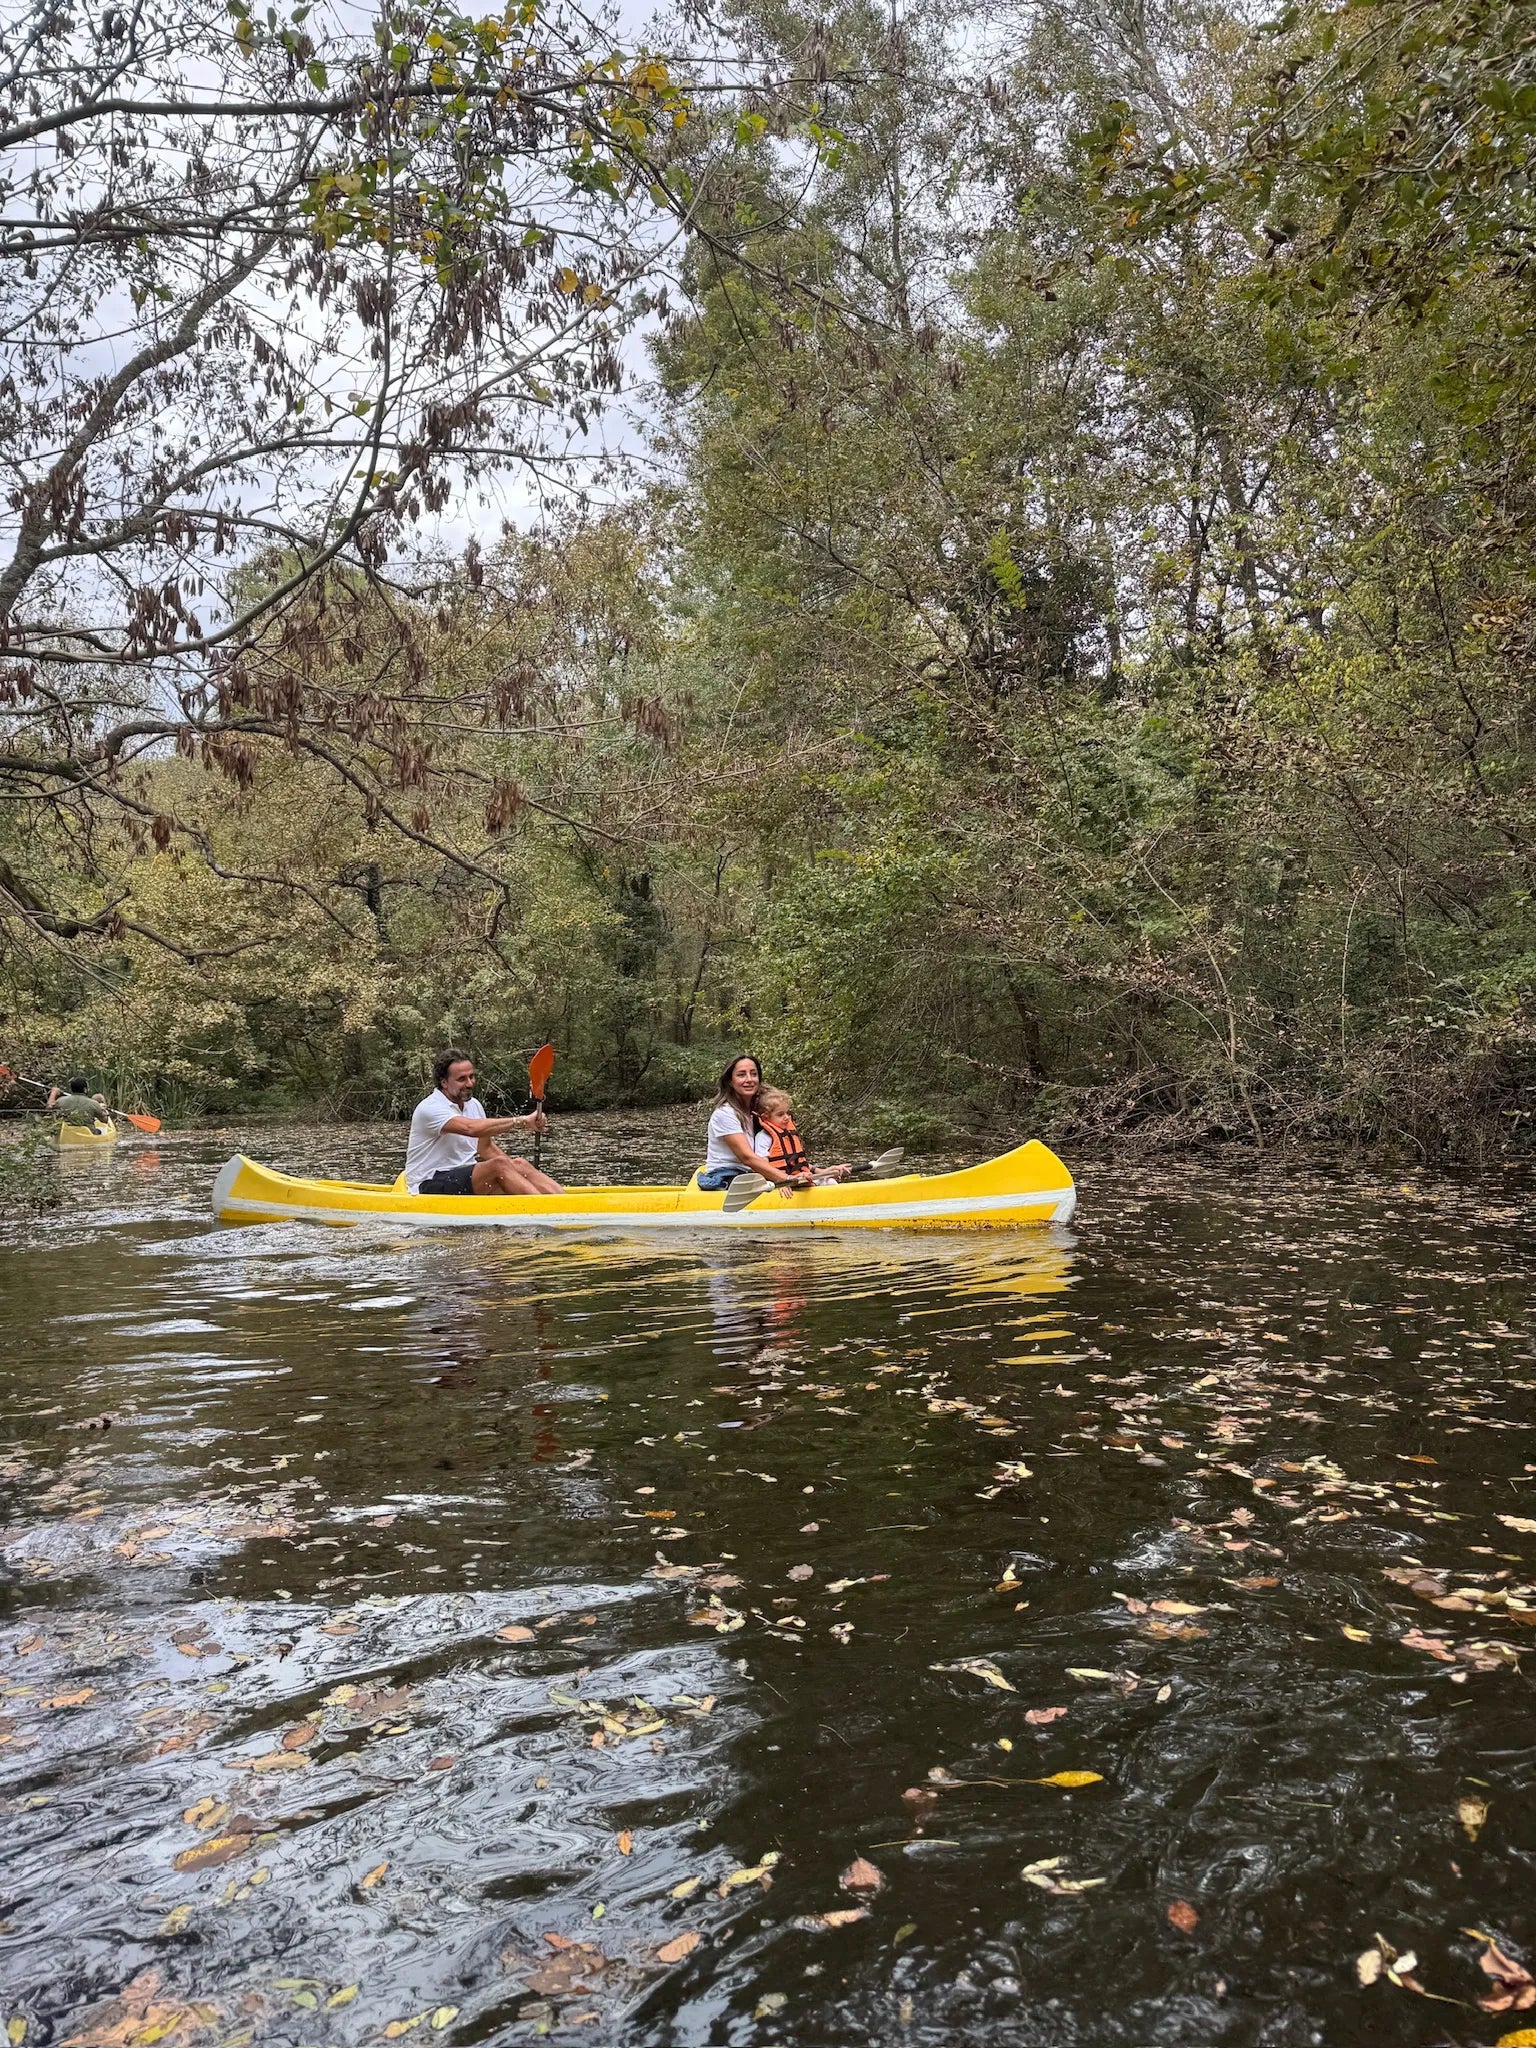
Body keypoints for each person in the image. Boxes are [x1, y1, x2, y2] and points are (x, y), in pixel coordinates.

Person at [405, 1048, 563, 1197]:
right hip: (427, 1183)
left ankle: (563, 1201)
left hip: (462, 1177)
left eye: (471, 1076)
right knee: (499, 1165)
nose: (470, 1083)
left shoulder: (473, 1105)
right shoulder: (430, 1108)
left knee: (519, 1163)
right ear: (444, 1082)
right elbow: (470, 1128)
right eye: (461, 1079)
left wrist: (514, 1169)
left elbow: (485, 1148)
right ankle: (545, 1210)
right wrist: (521, 1121)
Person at [697, 1054, 813, 1193]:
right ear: (730, 1081)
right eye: (741, 1075)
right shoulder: (725, 1113)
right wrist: (786, 1179)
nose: (749, 1079)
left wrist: (814, 1171)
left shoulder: (758, 1113)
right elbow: (747, 1158)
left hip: (749, 1175)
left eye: (753, 1074)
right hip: (725, 1176)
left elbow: (781, 1156)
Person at [754, 1086, 851, 1183]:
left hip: (800, 1179)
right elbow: (764, 1168)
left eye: (787, 1113)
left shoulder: (788, 1133)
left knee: (830, 1181)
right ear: (765, 1117)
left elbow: (798, 1163)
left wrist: (822, 1172)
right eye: (780, 1114)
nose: (787, 1117)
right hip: (781, 1183)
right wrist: (782, 1182)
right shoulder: (763, 1137)